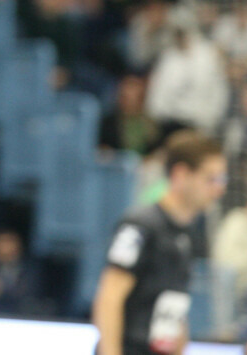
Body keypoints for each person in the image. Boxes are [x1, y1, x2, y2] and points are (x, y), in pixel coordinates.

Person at [91, 130, 227, 355]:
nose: (219, 189)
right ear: (181, 174)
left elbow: (174, 308)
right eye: (211, 178)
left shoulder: (189, 234)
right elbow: (109, 297)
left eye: (223, 179)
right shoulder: (140, 226)